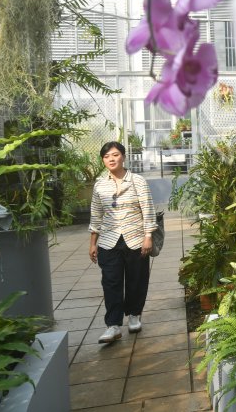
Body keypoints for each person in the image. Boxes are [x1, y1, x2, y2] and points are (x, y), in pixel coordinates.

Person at [89, 141, 156, 343]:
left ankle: (134, 315)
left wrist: (148, 236)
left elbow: (148, 209)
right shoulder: (100, 185)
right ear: (103, 160)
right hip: (108, 241)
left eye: (115, 155)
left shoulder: (137, 181)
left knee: (137, 279)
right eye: (107, 156)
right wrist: (93, 243)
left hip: (135, 239)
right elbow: (96, 215)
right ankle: (113, 325)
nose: (111, 159)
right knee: (111, 282)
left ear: (123, 157)